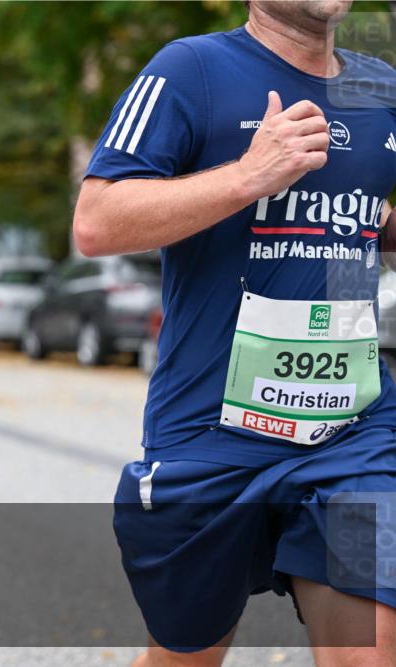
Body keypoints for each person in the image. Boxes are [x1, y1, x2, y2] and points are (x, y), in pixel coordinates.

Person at [74, 2, 395, 665]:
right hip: (210, 430)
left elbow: (359, 221)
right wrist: (251, 176)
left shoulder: (380, 88)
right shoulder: (190, 70)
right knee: (186, 655)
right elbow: (97, 221)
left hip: (351, 428)